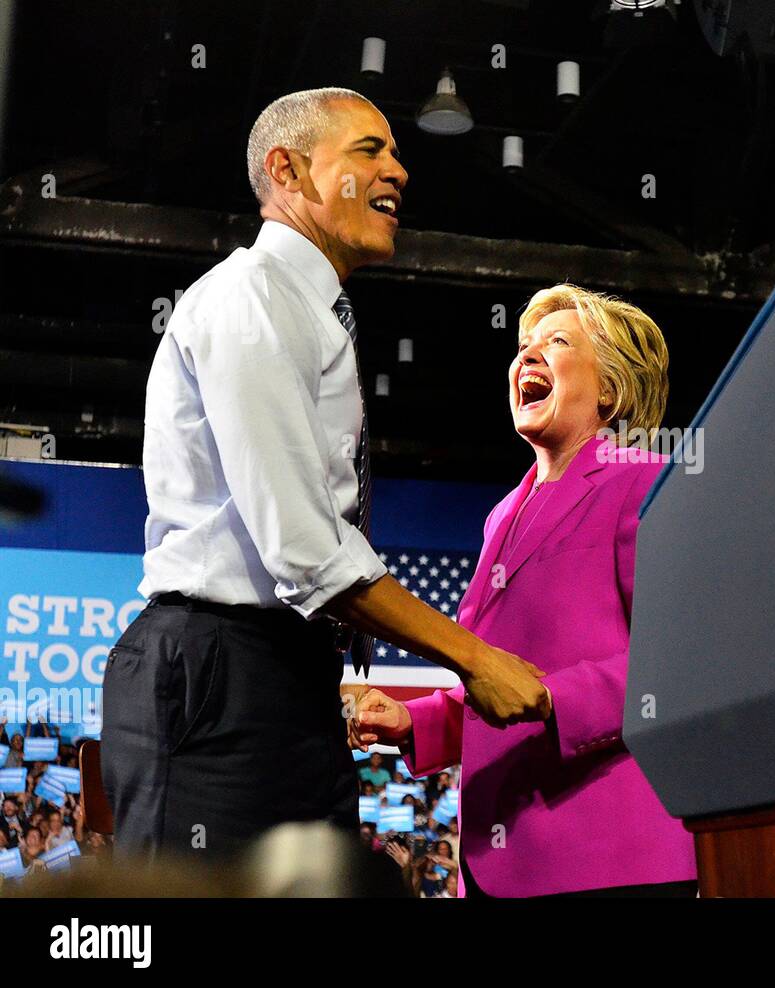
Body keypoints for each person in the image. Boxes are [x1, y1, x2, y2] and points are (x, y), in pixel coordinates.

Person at [101, 86, 550, 860]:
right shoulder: (252, 298)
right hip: (219, 670)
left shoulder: (311, 311)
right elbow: (304, 548)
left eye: (398, 154)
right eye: (370, 152)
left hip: (283, 675)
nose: (399, 172)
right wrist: (474, 659)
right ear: (289, 169)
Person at [355, 285, 697, 897]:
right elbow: (497, 683)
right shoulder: (501, 517)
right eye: (522, 347)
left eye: (557, 343)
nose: (527, 357)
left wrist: (551, 699)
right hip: (496, 863)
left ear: (611, 390)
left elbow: (678, 669)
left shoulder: (643, 483)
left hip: (608, 862)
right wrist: (415, 721)